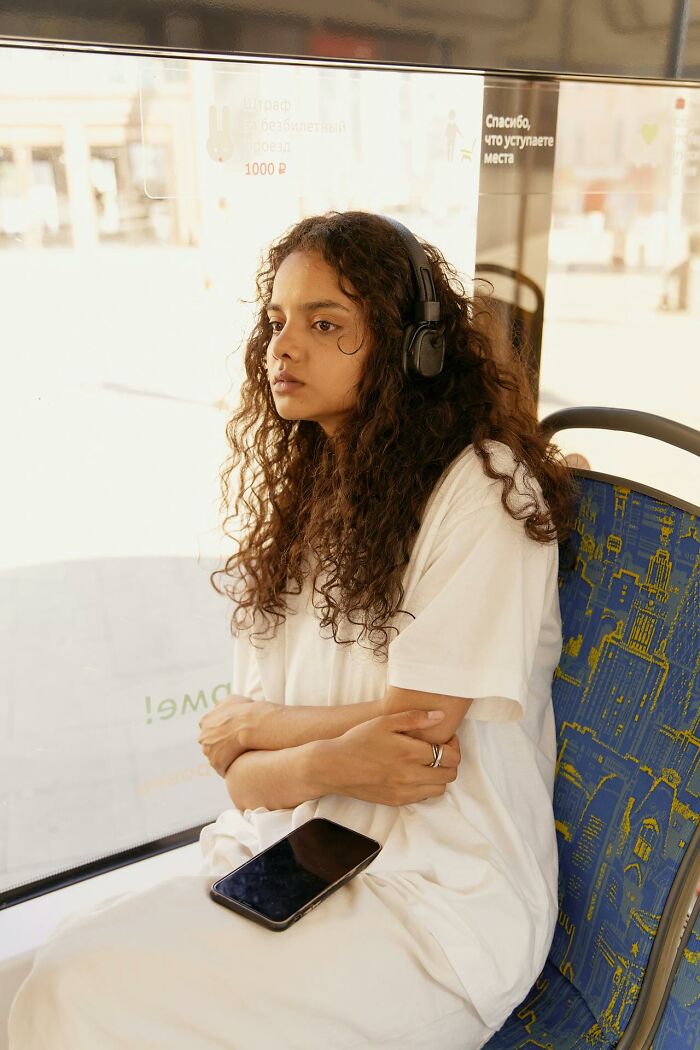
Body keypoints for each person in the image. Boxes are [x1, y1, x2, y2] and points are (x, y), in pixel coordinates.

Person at [8, 211, 578, 1049]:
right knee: (41, 975)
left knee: (73, 996)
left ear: (411, 346)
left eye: (325, 325)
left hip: (433, 903)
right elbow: (240, 780)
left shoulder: (484, 491)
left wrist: (277, 741)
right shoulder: (313, 495)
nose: (284, 347)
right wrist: (317, 760)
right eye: (277, 321)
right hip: (293, 856)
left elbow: (416, 746)